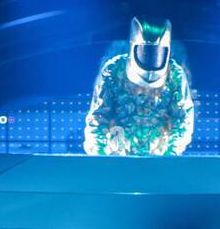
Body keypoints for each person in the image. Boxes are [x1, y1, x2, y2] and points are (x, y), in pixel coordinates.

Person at [83, 17, 194, 156]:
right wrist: (101, 157)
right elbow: (99, 118)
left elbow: (182, 121)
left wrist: (169, 157)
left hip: (158, 160)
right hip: (118, 158)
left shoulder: (175, 75)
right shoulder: (114, 70)